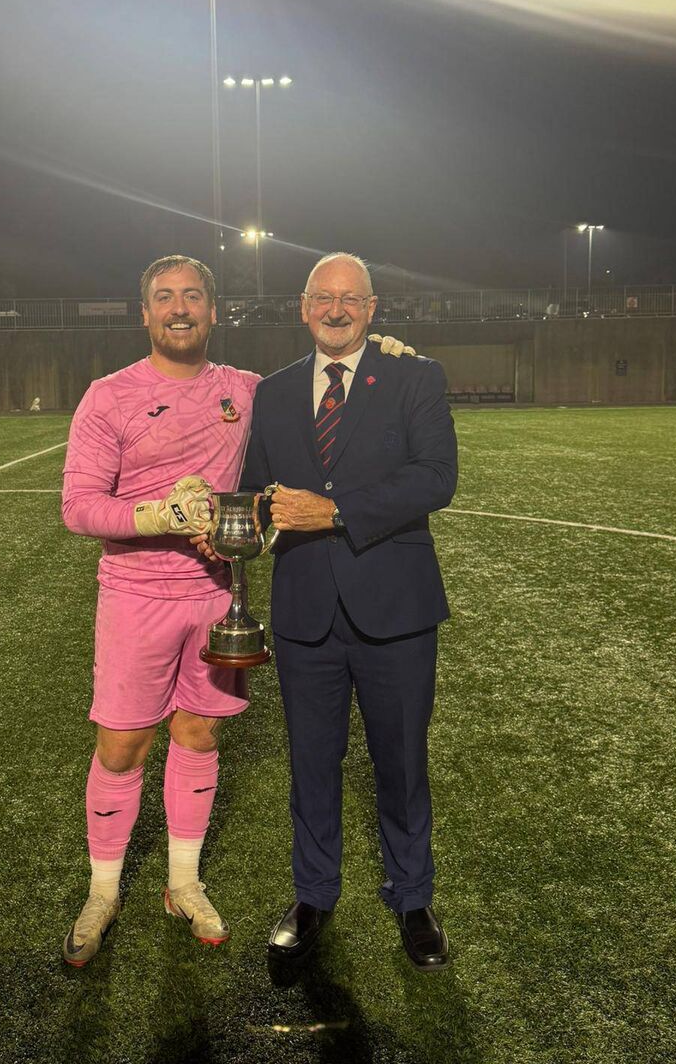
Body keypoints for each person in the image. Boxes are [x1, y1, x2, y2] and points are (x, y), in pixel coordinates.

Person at [239, 252, 458, 973]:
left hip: (396, 611)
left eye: (351, 299)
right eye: (323, 299)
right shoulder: (270, 393)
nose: (337, 310)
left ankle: (413, 896)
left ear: (372, 308)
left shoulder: (414, 376)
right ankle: (313, 894)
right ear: (303, 308)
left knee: (400, 762)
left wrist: (334, 511)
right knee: (311, 764)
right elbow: (253, 492)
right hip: (306, 612)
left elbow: (436, 477)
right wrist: (231, 518)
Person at [59, 255, 260, 965]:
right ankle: (104, 890)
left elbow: (331, 411)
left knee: (200, 734)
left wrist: (384, 354)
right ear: (144, 313)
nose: (180, 308)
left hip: (214, 596)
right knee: (122, 745)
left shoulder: (246, 391)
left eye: (194, 296)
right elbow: (78, 507)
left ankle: (183, 882)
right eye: (165, 298)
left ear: (214, 310)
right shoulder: (109, 396)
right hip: (135, 596)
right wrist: (156, 513)